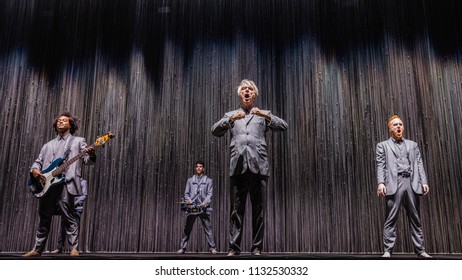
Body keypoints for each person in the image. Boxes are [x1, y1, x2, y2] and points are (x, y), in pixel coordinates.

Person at [211, 79, 288, 256]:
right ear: (240, 94)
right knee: (236, 210)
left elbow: (283, 126)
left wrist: (265, 115)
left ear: (254, 94)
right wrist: (231, 119)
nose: (247, 91)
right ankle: (234, 247)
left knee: (258, 210)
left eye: (250, 89)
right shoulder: (230, 114)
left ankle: (257, 248)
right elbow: (215, 130)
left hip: (259, 167)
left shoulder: (263, 114)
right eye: (244, 89)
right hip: (237, 166)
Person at [23, 112, 96, 257]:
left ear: (71, 125)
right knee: (44, 217)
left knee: (68, 216)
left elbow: (88, 161)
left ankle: (74, 248)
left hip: (65, 182)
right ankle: (37, 249)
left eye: (64, 120)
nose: (60, 122)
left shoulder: (78, 141)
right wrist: (35, 170)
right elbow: (38, 161)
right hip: (46, 184)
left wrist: (92, 154)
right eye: (59, 121)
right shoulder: (47, 145)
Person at [376, 115, 432, 258]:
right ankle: (388, 250)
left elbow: (419, 164)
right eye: (395, 125)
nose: (399, 126)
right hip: (394, 184)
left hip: (411, 183)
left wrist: (423, 181)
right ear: (390, 128)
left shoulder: (412, 145)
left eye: (400, 124)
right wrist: (381, 183)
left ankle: (420, 250)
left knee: (415, 217)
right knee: (391, 217)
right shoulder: (383, 145)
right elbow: (380, 165)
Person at [176, 160, 218, 254]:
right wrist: (188, 200)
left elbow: (210, 194)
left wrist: (205, 202)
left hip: (203, 208)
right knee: (188, 228)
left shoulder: (208, 181)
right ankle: (182, 247)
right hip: (192, 208)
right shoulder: (190, 181)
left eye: (200, 166)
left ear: (203, 168)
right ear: (195, 168)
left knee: (208, 228)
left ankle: (212, 248)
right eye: (197, 166)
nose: (198, 168)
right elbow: (186, 194)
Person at [51, 178, 88, 254]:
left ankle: (74, 249)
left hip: (76, 208)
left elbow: (84, 195)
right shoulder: (68, 181)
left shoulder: (83, 182)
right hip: (66, 208)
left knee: (75, 228)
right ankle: (59, 248)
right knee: (62, 229)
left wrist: (75, 202)